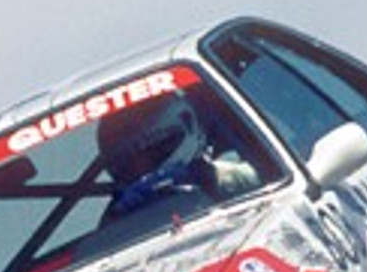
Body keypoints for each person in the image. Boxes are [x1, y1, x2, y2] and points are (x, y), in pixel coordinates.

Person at [97, 91, 261, 218]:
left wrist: (212, 182)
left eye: (154, 150)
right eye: (128, 163)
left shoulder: (236, 179)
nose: (143, 168)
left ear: (188, 124)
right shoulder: (115, 219)